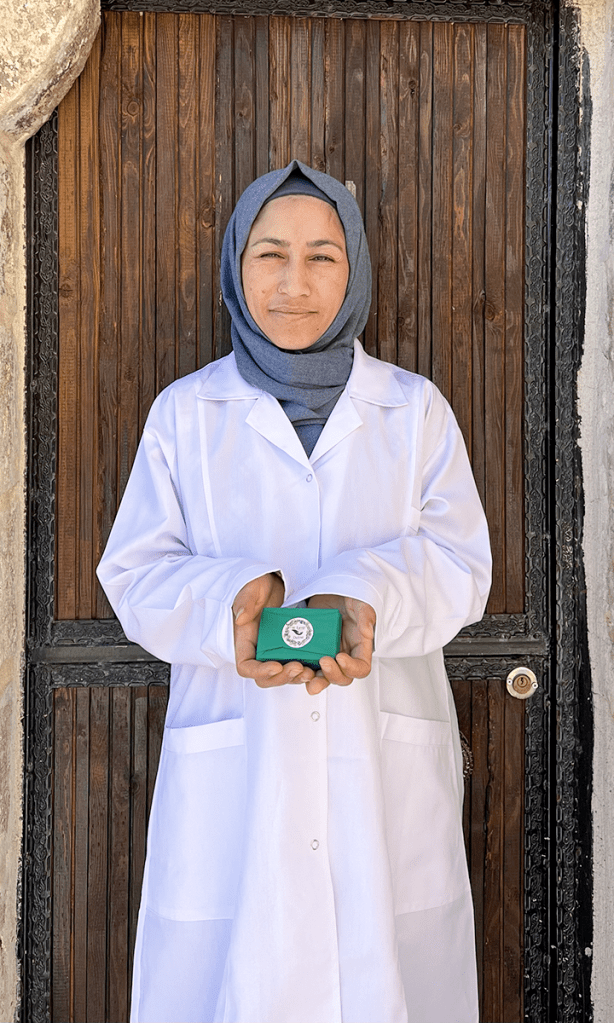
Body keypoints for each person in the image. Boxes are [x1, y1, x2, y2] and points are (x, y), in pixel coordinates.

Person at [97, 159, 492, 1023]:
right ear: (237, 268)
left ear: (355, 275)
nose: (293, 283)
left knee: (387, 972)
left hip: (379, 773)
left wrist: (362, 598)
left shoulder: (413, 410)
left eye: (323, 256)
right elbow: (133, 570)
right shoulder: (185, 415)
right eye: (269, 254)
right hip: (235, 771)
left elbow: (462, 565)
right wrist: (231, 604)